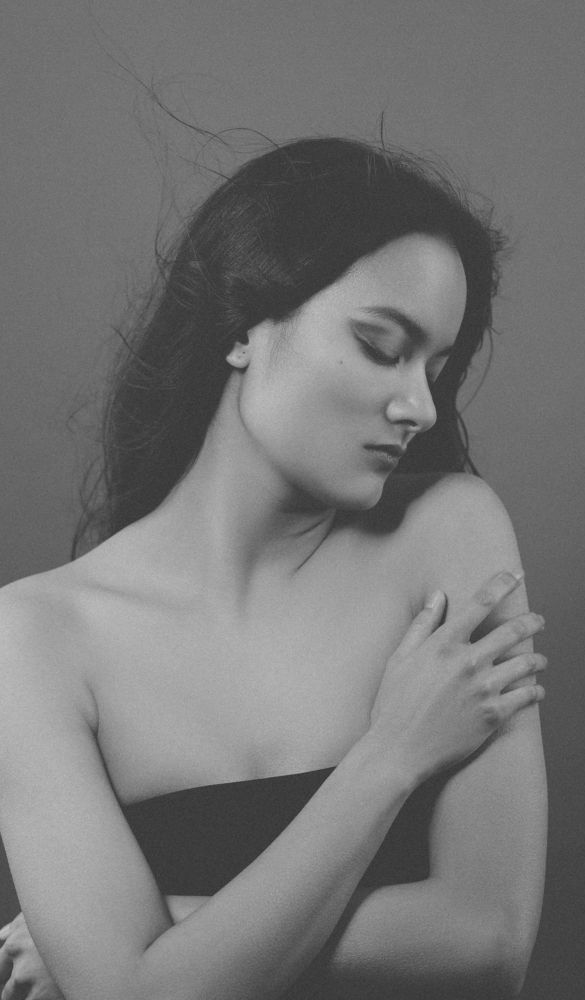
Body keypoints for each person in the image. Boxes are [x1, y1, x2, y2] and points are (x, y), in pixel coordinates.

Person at [0, 136, 547, 1000]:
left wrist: (166, 936)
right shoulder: (33, 637)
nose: (418, 406)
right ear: (241, 328)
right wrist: (391, 755)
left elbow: (488, 941)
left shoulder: (450, 529)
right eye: (381, 346)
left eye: (436, 369)